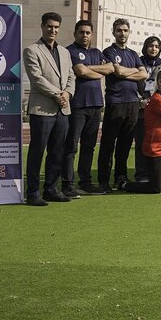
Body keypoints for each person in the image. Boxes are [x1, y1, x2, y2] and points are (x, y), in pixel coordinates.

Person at [22, 12, 76, 205]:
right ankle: (33, 192)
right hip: (42, 109)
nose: (53, 30)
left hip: (63, 109)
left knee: (57, 151)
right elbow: (37, 79)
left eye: (56, 27)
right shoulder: (32, 50)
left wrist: (67, 94)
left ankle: (51, 189)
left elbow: (71, 76)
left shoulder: (64, 52)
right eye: (49, 26)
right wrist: (58, 94)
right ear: (42, 26)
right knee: (38, 151)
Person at [96, 18, 146, 193]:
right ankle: (103, 179)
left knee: (125, 144)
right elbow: (116, 71)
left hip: (133, 103)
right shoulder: (108, 52)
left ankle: (121, 177)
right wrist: (129, 71)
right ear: (113, 32)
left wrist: (125, 72)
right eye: (119, 30)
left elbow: (143, 74)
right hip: (115, 102)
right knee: (108, 143)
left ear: (129, 32)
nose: (122, 33)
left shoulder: (133, 54)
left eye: (125, 30)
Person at [66, 19, 114, 197]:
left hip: (96, 105)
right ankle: (67, 183)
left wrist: (89, 69)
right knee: (71, 146)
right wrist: (95, 72)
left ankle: (85, 182)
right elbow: (80, 72)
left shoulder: (96, 52)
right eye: (81, 32)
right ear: (75, 33)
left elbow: (110, 69)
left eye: (87, 32)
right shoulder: (69, 51)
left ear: (92, 34)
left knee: (89, 146)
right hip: (77, 105)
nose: (84, 35)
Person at [133, 36, 161, 171]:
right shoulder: (138, 62)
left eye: (157, 46)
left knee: (157, 142)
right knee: (141, 142)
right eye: (151, 46)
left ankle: (156, 172)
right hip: (140, 109)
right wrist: (140, 101)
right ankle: (141, 173)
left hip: (156, 109)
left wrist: (155, 102)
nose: (153, 49)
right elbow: (133, 84)